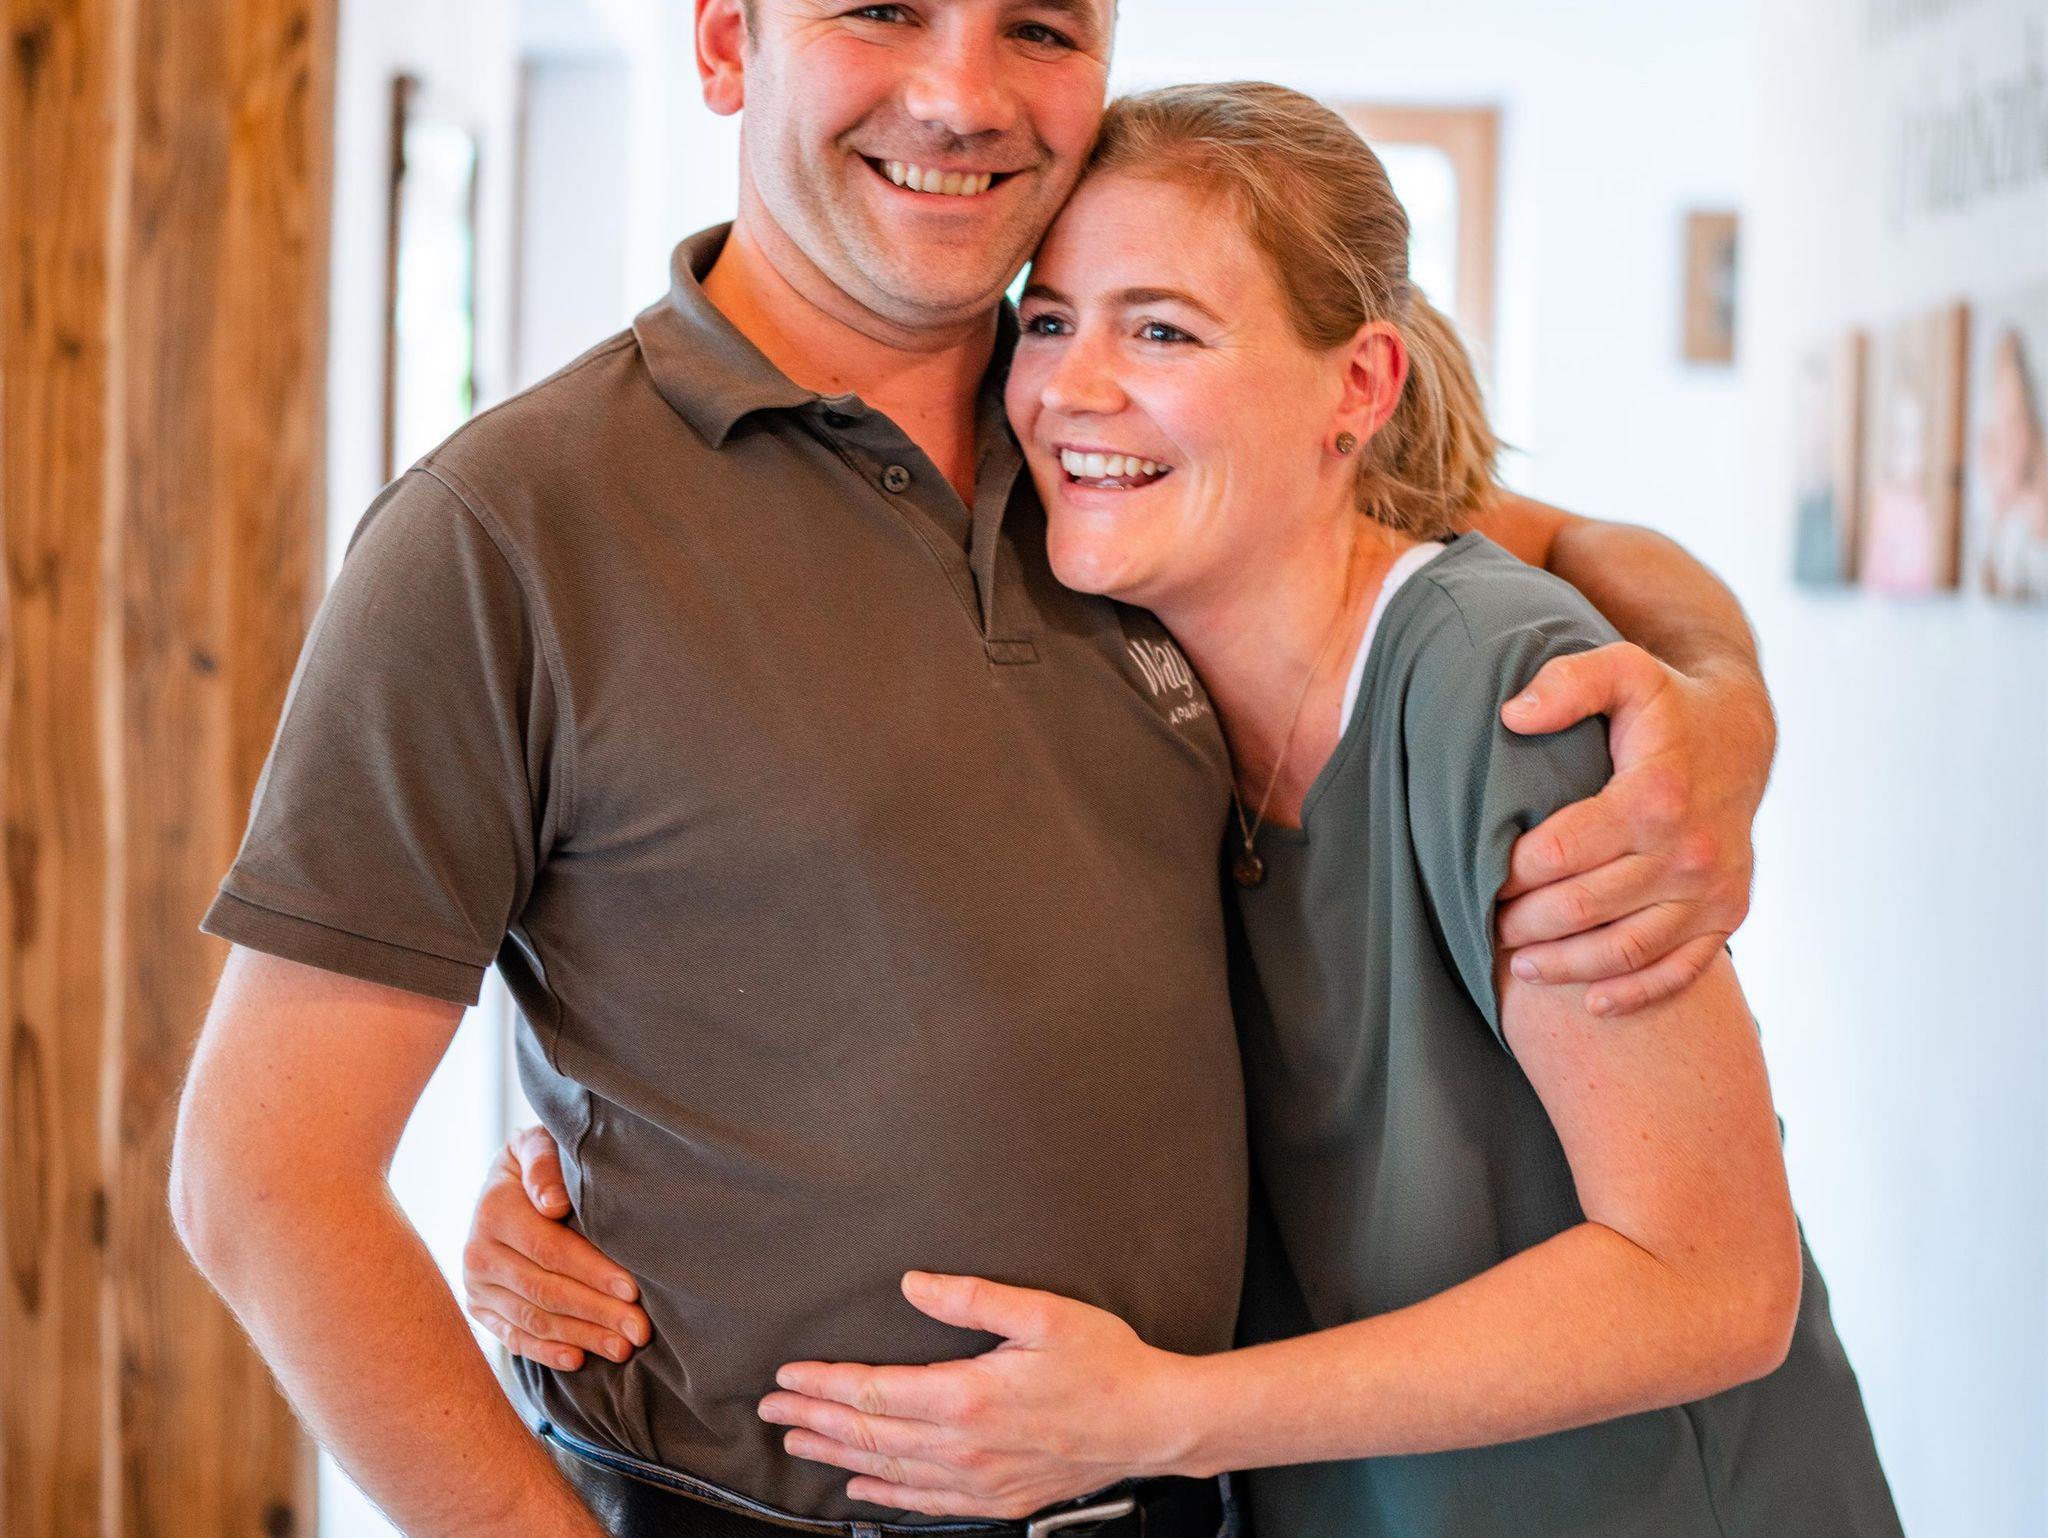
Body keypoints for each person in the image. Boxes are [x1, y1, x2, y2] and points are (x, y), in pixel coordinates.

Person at [169, 3, 1775, 1535]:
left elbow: (1537, 539)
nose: (960, 94)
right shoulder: (505, 529)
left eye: (1042, 27)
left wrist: (1723, 700)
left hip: (1207, 1503)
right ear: (726, 40)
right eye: (880, 10)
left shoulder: (1119, 445)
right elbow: (266, 1179)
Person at [1977, 327, 2048, 602]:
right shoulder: (1988, 506)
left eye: (2017, 421)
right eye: (2001, 423)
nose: (2008, 439)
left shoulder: (2036, 508)